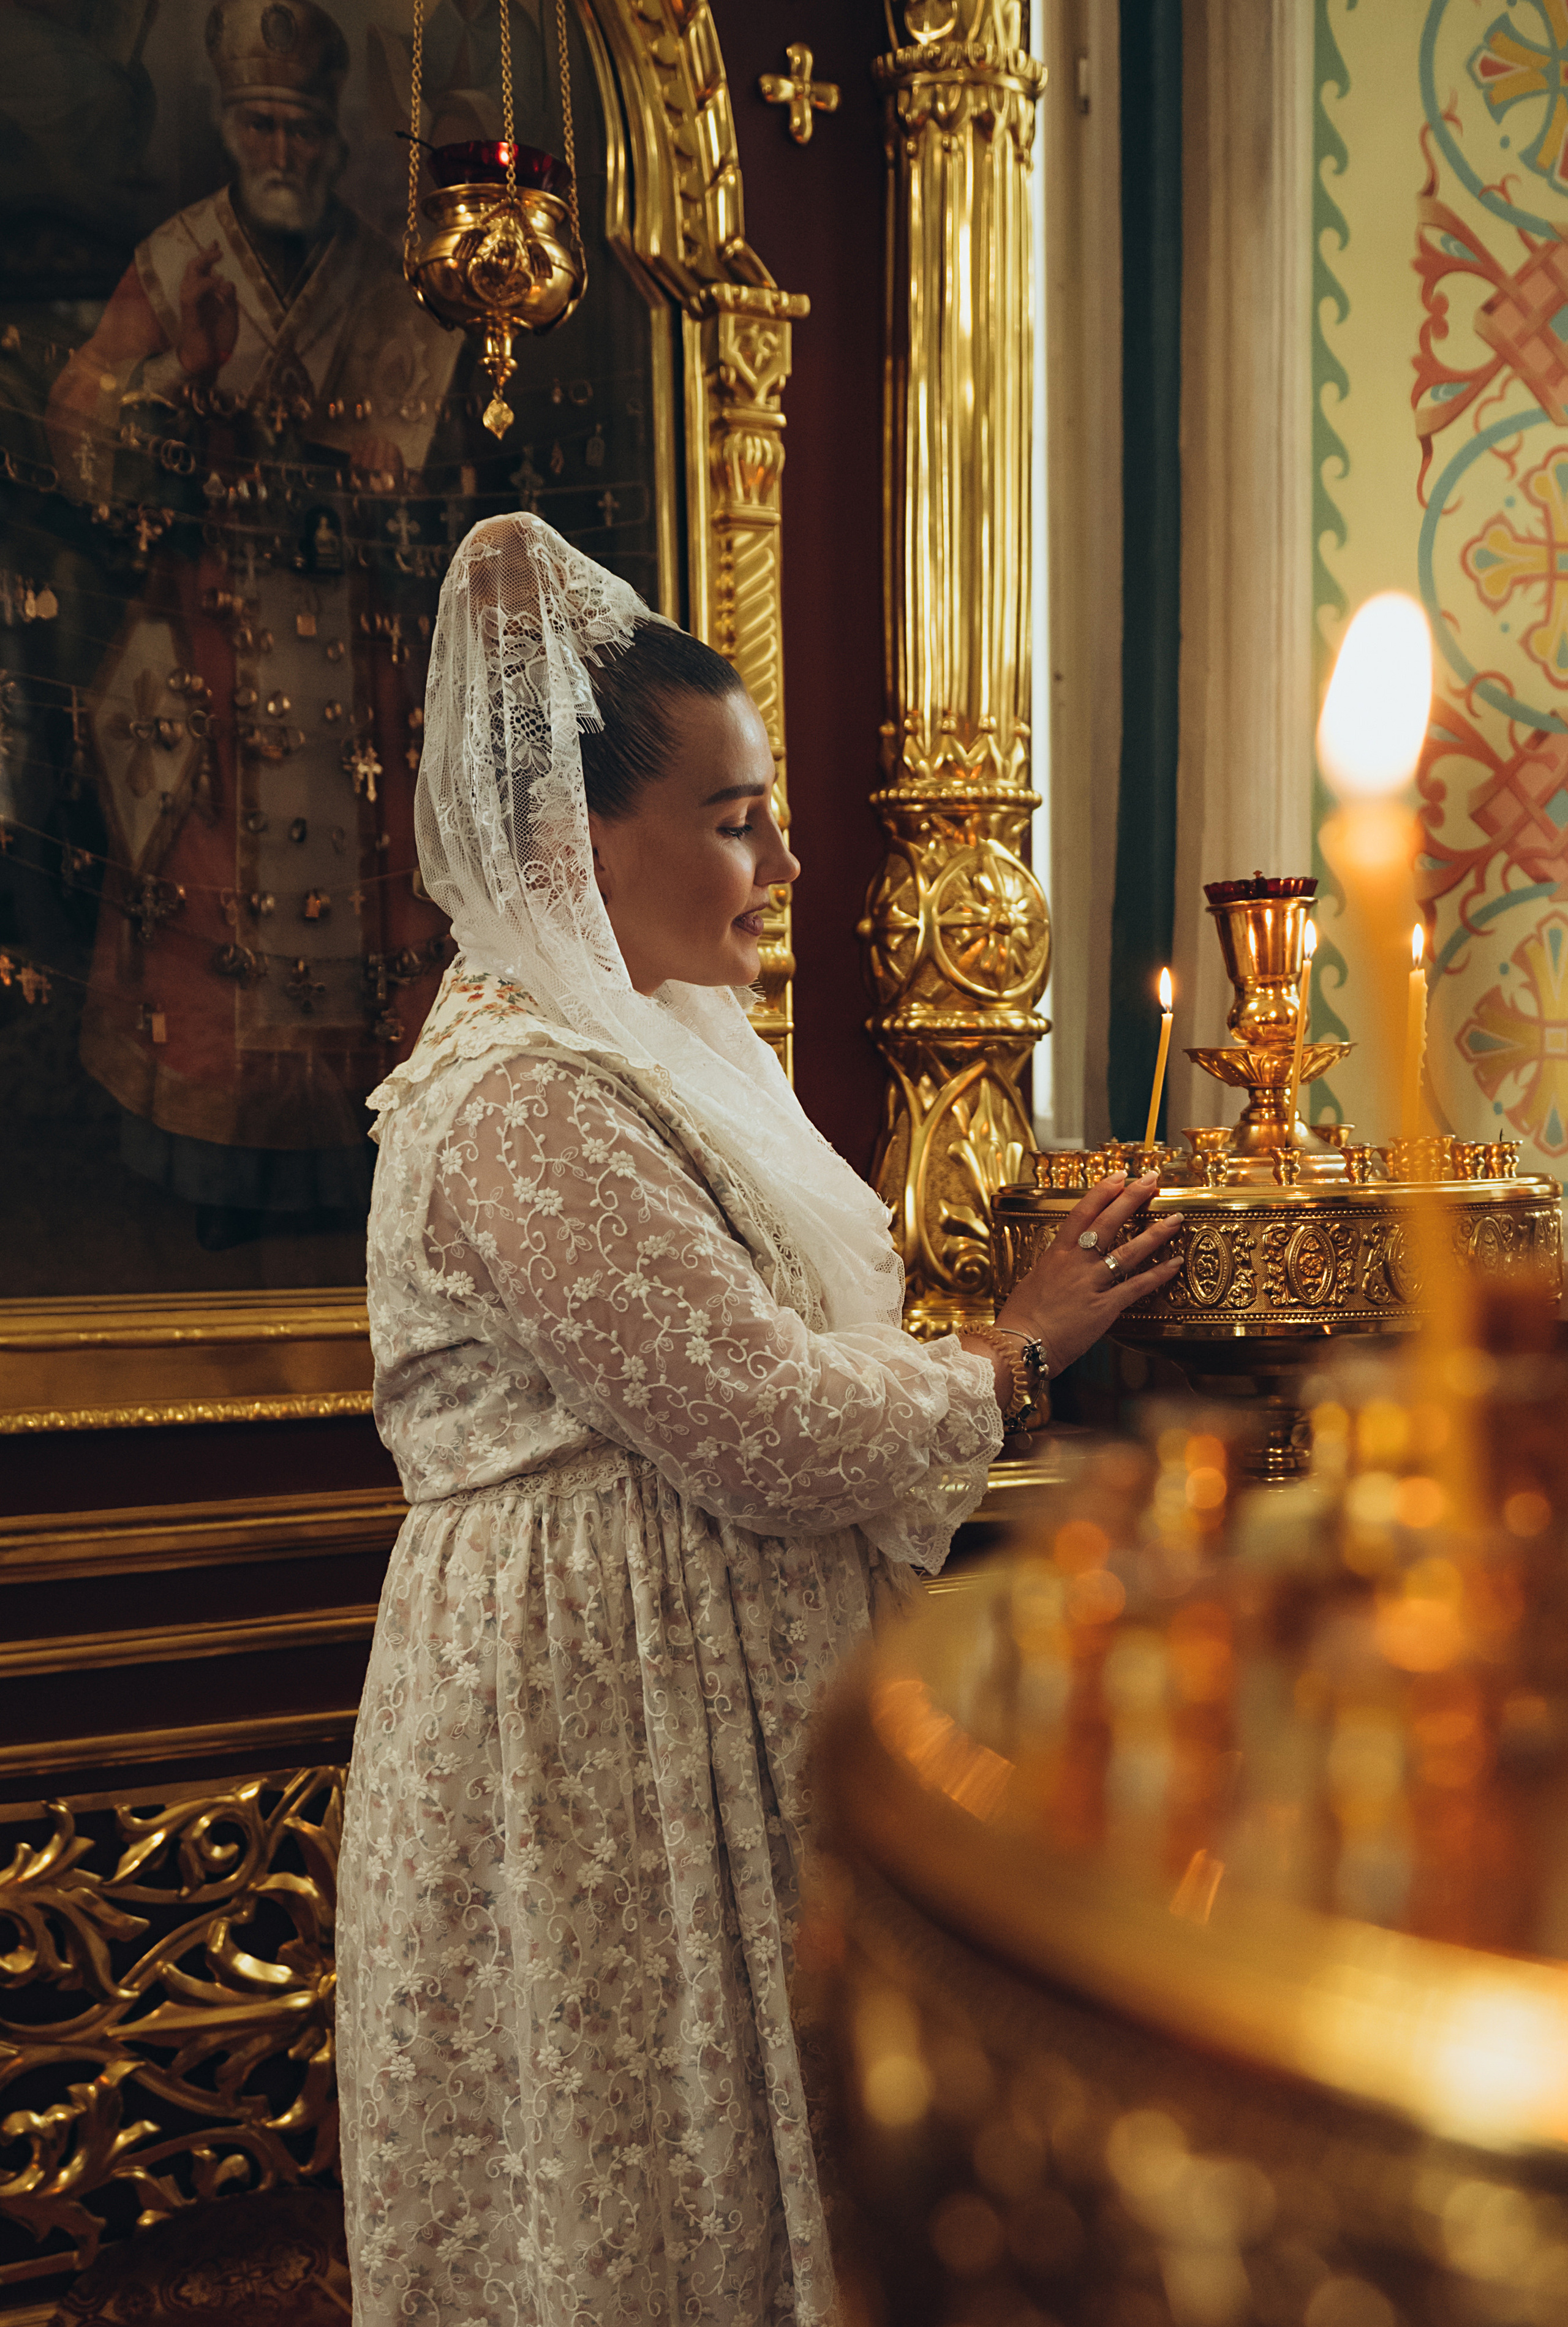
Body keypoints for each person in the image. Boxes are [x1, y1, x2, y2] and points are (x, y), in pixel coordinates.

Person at [334, 513, 1183, 2327]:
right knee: (631, 2204)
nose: (785, 860)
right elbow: (767, 1424)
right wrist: (1020, 1350)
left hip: (698, 1697)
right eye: (736, 818)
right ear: (577, 837)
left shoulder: (643, 1059)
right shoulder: (516, 1102)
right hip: (591, 1731)